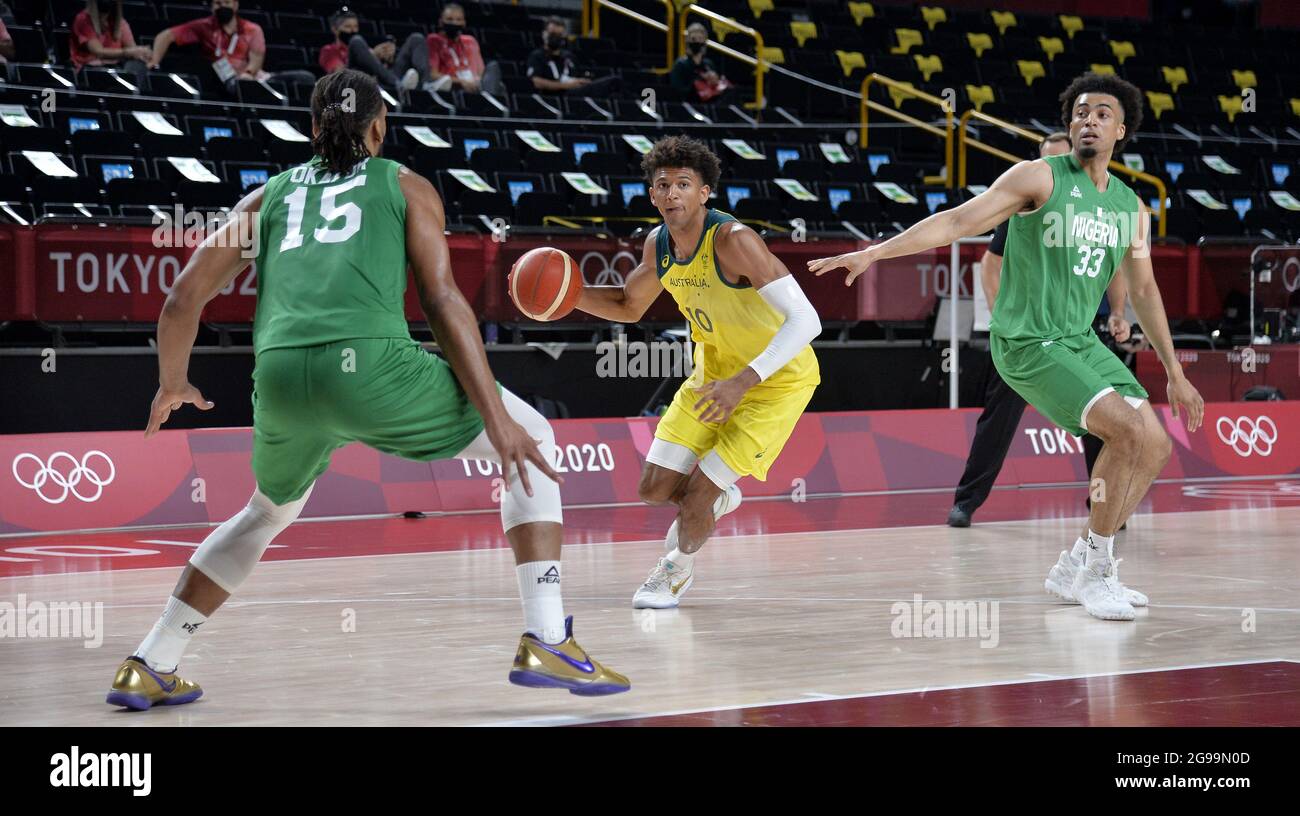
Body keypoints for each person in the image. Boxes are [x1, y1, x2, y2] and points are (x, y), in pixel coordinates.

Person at [105, 69, 629, 710]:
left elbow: (183, 295)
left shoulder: (265, 198)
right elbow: (442, 302)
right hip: (374, 369)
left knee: (266, 512)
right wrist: (496, 417)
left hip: (280, 375)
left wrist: (173, 382)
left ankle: (151, 662)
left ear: (312, 128)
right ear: (379, 128)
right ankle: (548, 637)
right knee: (535, 437)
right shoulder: (405, 185)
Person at [810, 73, 1205, 622]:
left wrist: (1174, 373)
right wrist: (876, 253)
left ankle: (1081, 561)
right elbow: (957, 222)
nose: (1087, 119)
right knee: (1123, 430)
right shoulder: (1037, 178)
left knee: (1156, 445)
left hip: (1078, 340)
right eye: (1080, 112)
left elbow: (1143, 289)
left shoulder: (1130, 208)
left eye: (1101, 113)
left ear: (1122, 131)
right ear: (1070, 125)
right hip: (1027, 341)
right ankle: (1097, 571)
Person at [574, 135, 822, 609]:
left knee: (694, 501)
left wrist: (743, 382)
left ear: (704, 193)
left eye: (683, 184)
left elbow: (807, 320)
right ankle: (714, 501)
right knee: (653, 489)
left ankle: (674, 571)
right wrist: (565, 293)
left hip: (775, 384)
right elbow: (628, 305)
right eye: (662, 185)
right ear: (651, 194)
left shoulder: (734, 241)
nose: (671, 194)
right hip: (711, 378)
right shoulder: (658, 244)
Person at [947, 132, 1130, 527]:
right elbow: (990, 265)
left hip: (1076, 335)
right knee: (998, 420)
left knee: (1103, 424)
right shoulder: (1028, 204)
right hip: (1027, 336)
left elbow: (1114, 267)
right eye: (1046, 160)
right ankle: (967, 502)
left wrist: (1118, 312)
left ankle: (1101, 503)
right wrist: (1002, 318)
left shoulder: (1098, 210)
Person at [148, 0, 314, 96]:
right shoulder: (203, 27)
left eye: (226, 2)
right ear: (212, 6)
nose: (221, 7)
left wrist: (248, 74)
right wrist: (154, 61)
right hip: (227, 80)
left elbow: (256, 58)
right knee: (238, 87)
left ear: (235, 5)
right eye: (217, 3)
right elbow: (165, 36)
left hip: (256, 77)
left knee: (305, 77)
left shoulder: (252, 29)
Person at [319, 8, 430, 96]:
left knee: (416, 38)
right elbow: (339, 74)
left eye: (356, 27)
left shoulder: (366, 47)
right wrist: (374, 55)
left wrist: (388, 57)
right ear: (334, 29)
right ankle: (398, 83)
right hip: (357, 84)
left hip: (381, 80)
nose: (353, 31)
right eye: (348, 27)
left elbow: (379, 68)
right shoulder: (329, 50)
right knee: (356, 41)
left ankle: (426, 86)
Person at [526, 16, 620, 97]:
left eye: (560, 35)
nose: (556, 38)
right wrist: (566, 85)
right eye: (553, 34)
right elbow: (537, 82)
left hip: (576, 94)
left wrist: (580, 81)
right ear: (544, 34)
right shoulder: (537, 56)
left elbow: (576, 77)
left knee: (613, 84)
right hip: (555, 96)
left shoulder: (569, 57)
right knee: (614, 81)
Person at [426, 3, 503, 97]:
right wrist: (461, 82)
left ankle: (489, 105)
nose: (454, 23)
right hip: (452, 86)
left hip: (475, 87)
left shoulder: (470, 41)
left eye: (458, 20)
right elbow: (432, 74)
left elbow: (481, 73)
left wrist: (476, 82)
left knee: (493, 66)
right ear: (441, 22)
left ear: (464, 22)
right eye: (450, 19)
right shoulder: (434, 40)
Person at [70, 0, 151, 85]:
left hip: (116, 68)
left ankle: (134, 95)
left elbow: (132, 49)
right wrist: (127, 52)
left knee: (138, 65)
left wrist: (142, 52)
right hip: (90, 68)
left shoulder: (119, 22)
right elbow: (99, 52)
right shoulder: (83, 19)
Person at [670, 22, 732, 105]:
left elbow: (716, 88)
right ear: (688, 41)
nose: (697, 42)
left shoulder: (709, 64)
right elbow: (678, 91)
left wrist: (714, 81)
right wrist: (699, 82)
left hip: (710, 104)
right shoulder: (680, 64)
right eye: (694, 39)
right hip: (689, 104)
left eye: (700, 38)